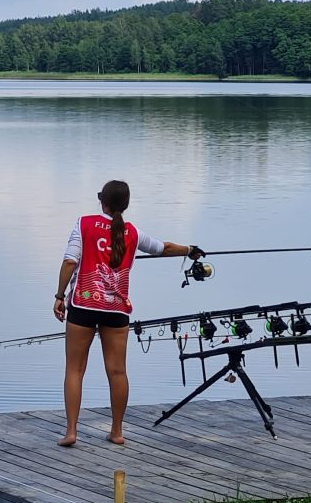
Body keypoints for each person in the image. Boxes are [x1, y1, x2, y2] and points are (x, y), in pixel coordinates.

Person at [53, 180, 202, 447]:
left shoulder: (84, 223)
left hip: (83, 305)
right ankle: (117, 431)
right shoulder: (132, 232)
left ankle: (71, 432)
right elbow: (163, 248)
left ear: (102, 201)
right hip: (116, 309)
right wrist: (190, 250)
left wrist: (59, 295)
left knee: (74, 370)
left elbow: (69, 261)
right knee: (118, 371)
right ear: (125, 204)